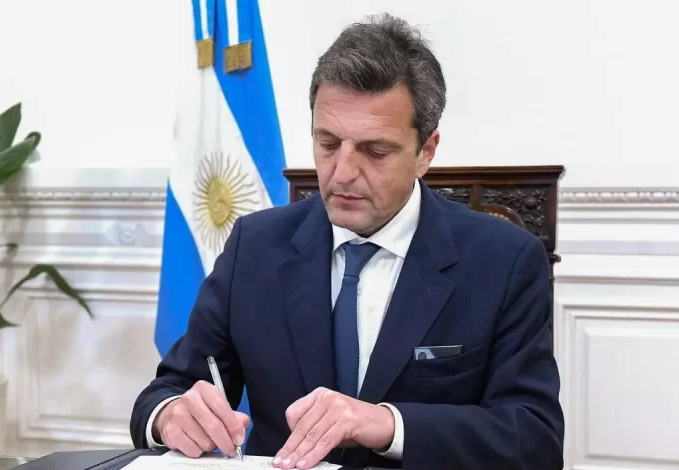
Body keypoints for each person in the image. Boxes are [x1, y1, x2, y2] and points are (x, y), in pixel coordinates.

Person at [130, 13, 564, 470]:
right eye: (328, 143)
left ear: (426, 152)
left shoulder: (504, 260)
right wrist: (170, 416)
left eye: (375, 151)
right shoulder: (254, 247)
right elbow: (165, 393)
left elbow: (534, 439)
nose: (342, 173)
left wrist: (387, 424)